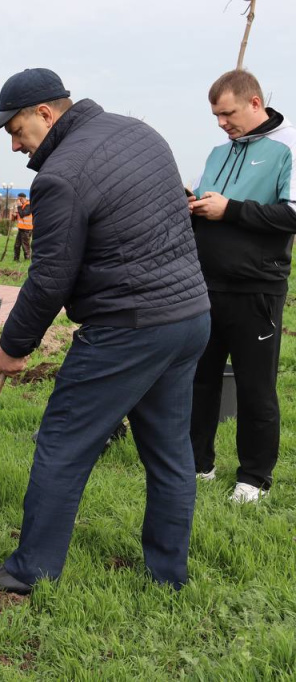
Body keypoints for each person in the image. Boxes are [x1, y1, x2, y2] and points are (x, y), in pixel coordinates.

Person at [0, 68, 211, 595]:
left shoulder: (60, 176)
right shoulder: (141, 133)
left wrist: (11, 347)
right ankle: (168, 578)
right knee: (169, 451)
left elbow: (49, 279)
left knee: (62, 444)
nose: (13, 144)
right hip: (189, 318)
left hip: (128, 329)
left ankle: (29, 572)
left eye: (16, 129)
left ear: (47, 114)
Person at [188, 70, 296, 503]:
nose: (221, 123)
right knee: (199, 380)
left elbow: (292, 215)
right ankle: (198, 464)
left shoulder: (287, 147)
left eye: (227, 113)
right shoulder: (218, 152)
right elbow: (207, 203)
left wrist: (230, 210)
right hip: (205, 286)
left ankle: (254, 478)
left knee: (255, 387)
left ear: (255, 103)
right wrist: (193, 204)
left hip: (256, 289)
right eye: (215, 115)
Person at [13, 192, 33, 261]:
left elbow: (22, 214)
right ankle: (16, 259)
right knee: (17, 245)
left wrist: (18, 207)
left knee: (25, 246)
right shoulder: (22, 206)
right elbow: (19, 217)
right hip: (21, 228)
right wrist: (14, 216)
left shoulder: (29, 205)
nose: (18, 201)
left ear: (23, 198)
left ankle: (27, 259)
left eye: (19, 199)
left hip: (27, 229)